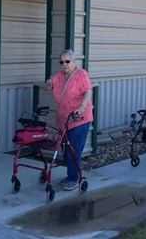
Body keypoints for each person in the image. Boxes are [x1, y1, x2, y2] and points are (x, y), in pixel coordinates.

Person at [46, 50, 93, 191]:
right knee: (66, 150)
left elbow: (88, 92)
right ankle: (71, 175)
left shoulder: (81, 74)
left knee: (74, 150)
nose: (64, 64)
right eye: (61, 62)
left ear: (74, 62)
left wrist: (82, 107)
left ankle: (74, 178)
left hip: (79, 118)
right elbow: (50, 83)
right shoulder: (59, 76)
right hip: (64, 120)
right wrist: (48, 83)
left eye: (67, 61)